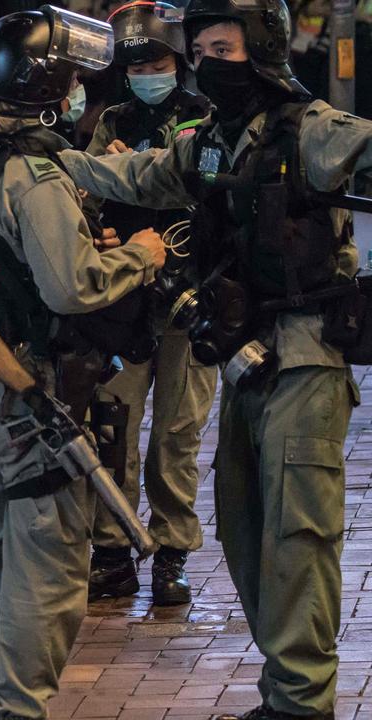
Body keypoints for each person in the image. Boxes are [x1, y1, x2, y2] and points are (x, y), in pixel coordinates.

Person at [56, 0, 372, 714]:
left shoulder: (313, 129)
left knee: (298, 537)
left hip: (306, 360)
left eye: (224, 49)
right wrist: (53, 161)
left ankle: (301, 702)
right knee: (243, 527)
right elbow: (141, 177)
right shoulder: (210, 140)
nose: (210, 64)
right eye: (202, 51)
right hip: (245, 361)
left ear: (262, 50)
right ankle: (286, 690)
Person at [0, 7, 167, 718]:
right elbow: (72, 285)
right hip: (31, 395)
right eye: (70, 79)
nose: (77, 93)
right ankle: (16, 708)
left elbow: (102, 170)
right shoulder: (32, 175)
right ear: (44, 86)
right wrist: (143, 255)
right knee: (47, 571)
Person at [81, 0, 216, 607]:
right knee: (113, 429)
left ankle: (171, 554)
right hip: (125, 296)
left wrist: (129, 171)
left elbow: (206, 188)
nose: (147, 74)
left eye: (157, 62)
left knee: (176, 437)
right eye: (136, 65)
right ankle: (112, 551)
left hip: (194, 298)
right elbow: (86, 195)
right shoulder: (111, 118)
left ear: (178, 62)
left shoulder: (208, 118)